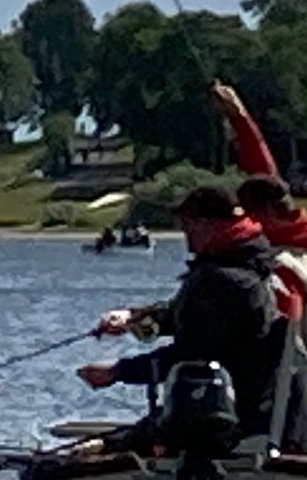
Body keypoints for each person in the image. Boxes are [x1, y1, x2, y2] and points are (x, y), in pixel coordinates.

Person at [77, 184, 290, 441]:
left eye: (188, 228)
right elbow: (193, 319)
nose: (187, 242)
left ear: (207, 224)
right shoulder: (250, 265)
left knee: (105, 446)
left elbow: (189, 356)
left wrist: (119, 371)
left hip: (224, 414)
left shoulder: (224, 279)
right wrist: (133, 319)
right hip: (249, 403)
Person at [209, 81, 307, 394]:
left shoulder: (280, 263)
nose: (243, 219)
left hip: (287, 383)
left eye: (248, 211)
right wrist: (239, 118)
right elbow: (265, 174)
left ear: (266, 213)